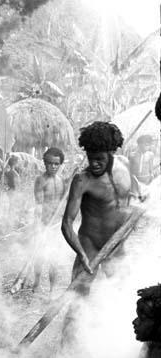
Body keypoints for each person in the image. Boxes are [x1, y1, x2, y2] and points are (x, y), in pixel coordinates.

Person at [61, 122, 133, 296]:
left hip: (117, 246)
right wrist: (82, 254)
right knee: (77, 298)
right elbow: (66, 224)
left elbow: (131, 202)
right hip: (89, 246)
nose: (93, 164)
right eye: (90, 158)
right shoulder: (82, 180)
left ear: (112, 153)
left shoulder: (124, 168)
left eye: (99, 159)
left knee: (122, 296)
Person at [32, 147, 67, 293]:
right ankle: (37, 283)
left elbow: (63, 201)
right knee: (40, 256)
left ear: (60, 164)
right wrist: (40, 226)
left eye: (56, 164)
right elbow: (39, 204)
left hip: (56, 225)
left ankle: (52, 290)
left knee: (54, 258)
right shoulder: (41, 180)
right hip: (44, 224)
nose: (53, 166)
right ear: (45, 163)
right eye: (50, 163)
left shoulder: (61, 181)